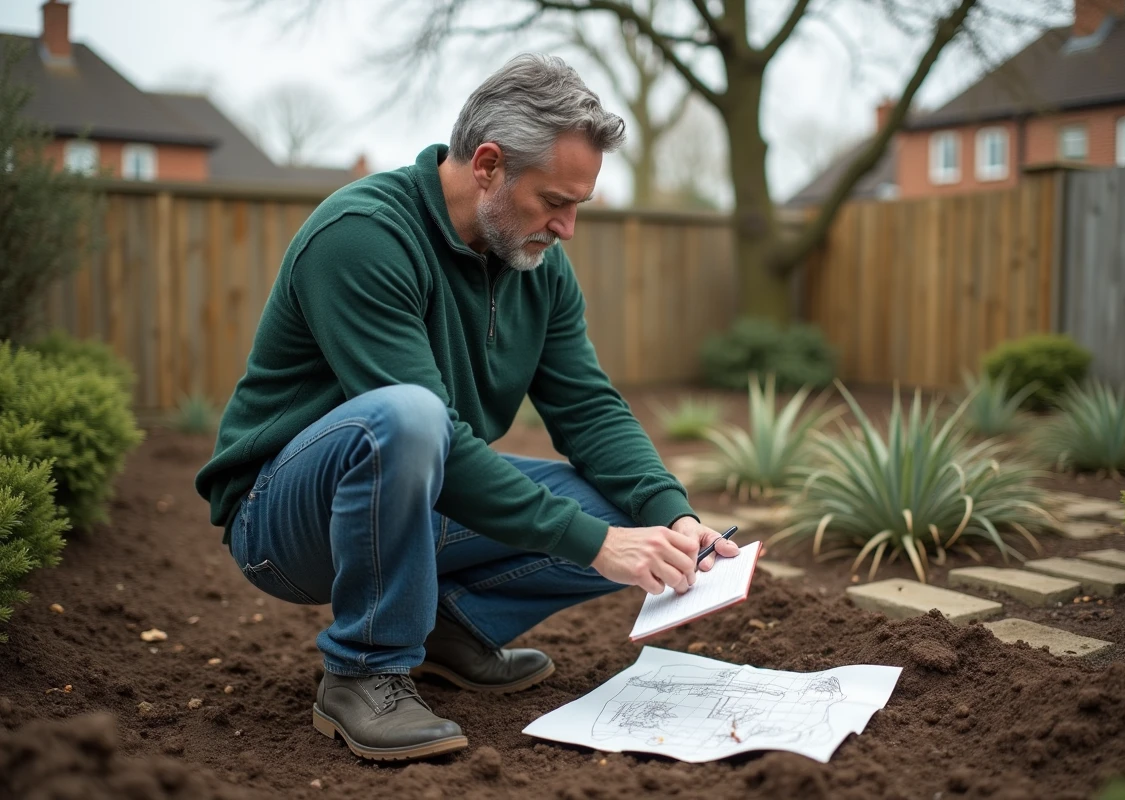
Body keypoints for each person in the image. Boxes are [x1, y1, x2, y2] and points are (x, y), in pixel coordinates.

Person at [194, 53, 738, 763]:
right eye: (553, 202)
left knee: (630, 511)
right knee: (409, 418)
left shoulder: (535, 266)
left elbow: (589, 408)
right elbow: (426, 431)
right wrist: (598, 548)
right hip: (284, 521)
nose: (568, 227)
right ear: (487, 165)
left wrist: (675, 517)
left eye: (579, 205)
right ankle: (366, 670)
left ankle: (450, 627)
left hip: (415, 494)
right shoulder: (364, 236)